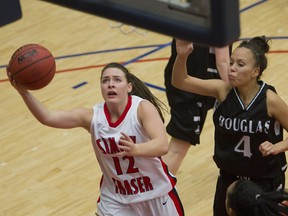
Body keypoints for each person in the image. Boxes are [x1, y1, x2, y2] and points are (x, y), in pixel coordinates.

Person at [7, 62, 185, 216]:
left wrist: (135, 150)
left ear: (129, 87)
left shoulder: (142, 109)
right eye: (105, 81)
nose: (110, 84)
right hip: (116, 199)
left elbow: (162, 146)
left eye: (117, 80)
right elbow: (49, 118)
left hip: (156, 194)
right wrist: (24, 93)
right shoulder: (93, 117)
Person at [171, 36, 288, 216]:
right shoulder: (222, 90)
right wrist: (182, 56)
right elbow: (180, 81)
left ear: (255, 71)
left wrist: (278, 146)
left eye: (240, 64)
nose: (232, 68)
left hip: (264, 180)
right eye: (231, 62)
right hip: (230, 179)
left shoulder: (269, 100)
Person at [163, 38, 231, 175]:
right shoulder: (221, 18)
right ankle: (152, 191)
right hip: (193, 87)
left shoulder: (190, 16)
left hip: (182, 78)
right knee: (178, 148)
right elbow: (222, 62)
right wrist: (237, 94)